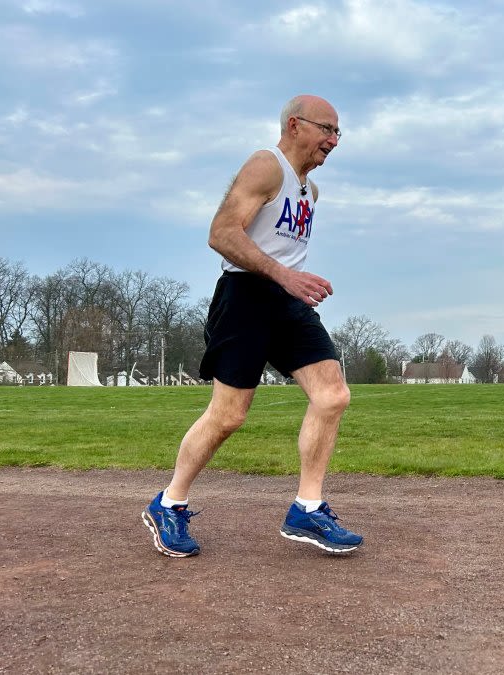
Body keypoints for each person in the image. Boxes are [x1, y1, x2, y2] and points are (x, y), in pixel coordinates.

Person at [141, 94, 362, 557]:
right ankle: (170, 502)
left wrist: (292, 281)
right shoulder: (267, 166)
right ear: (296, 125)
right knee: (228, 415)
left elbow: (279, 249)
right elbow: (221, 233)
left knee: (332, 394)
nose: (334, 140)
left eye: (339, 132)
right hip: (245, 298)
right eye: (327, 129)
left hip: (287, 303)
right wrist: (285, 275)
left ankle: (307, 507)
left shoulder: (310, 190)